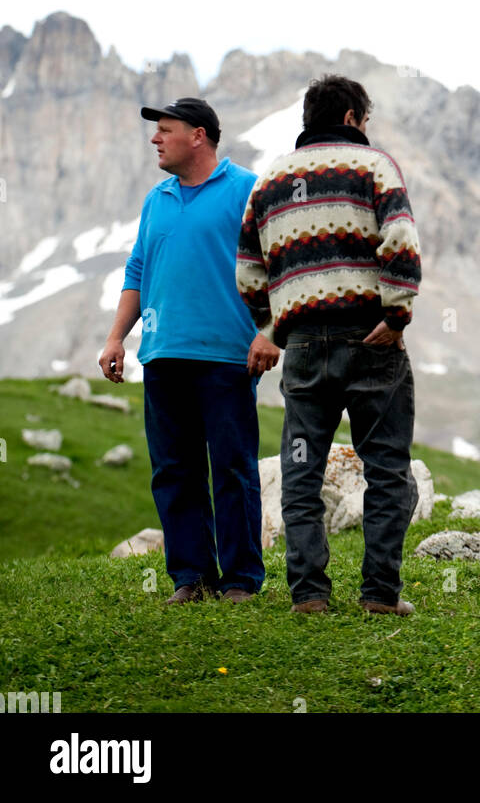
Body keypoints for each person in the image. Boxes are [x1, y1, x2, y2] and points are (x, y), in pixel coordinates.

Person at [236, 74, 422, 616]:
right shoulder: (375, 167)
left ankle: (310, 595)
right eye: (364, 120)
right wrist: (397, 315)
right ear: (350, 118)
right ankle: (380, 596)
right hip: (373, 340)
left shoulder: (271, 180)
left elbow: (249, 271)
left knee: (301, 468)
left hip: (305, 348)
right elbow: (401, 241)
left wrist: (274, 323)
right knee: (387, 468)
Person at [99, 97, 279, 605]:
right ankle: (191, 578)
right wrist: (116, 338)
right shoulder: (156, 199)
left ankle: (241, 580)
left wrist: (268, 332)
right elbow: (137, 271)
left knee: (232, 467)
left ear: (198, 135)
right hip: (162, 356)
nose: (155, 139)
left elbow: (277, 265)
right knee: (174, 472)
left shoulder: (247, 190)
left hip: (227, 357)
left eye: (166, 130)